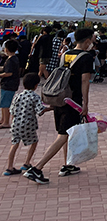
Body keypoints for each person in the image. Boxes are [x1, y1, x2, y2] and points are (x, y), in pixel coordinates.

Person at [25, 28, 95, 184]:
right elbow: (85, 81)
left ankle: (68, 164)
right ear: (87, 41)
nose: (93, 42)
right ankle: (37, 168)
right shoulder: (87, 58)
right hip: (73, 100)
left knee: (68, 132)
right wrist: (85, 104)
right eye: (92, 39)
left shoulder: (65, 54)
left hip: (59, 97)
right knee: (63, 135)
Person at [5, 74, 48, 176]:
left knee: (14, 144)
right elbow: (40, 111)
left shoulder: (18, 95)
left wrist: (13, 123)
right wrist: (51, 108)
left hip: (16, 124)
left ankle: (9, 167)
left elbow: (12, 111)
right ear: (36, 85)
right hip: (28, 125)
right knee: (34, 142)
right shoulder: (34, 97)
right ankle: (27, 162)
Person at [0, 39, 21, 128]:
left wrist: (0, 75)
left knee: (5, 104)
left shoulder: (11, 60)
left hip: (9, 84)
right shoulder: (13, 58)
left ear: (6, 49)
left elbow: (8, 73)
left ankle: (6, 122)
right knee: (3, 103)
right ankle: (3, 119)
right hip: (9, 84)